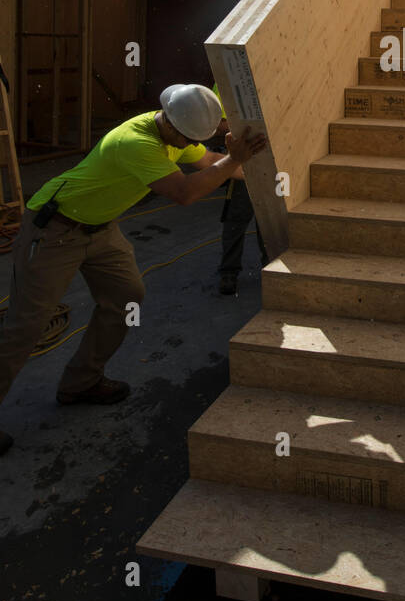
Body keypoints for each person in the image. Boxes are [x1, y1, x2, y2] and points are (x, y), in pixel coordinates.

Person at [0, 84, 266, 455]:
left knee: (127, 298)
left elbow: (207, 162)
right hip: (55, 228)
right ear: (171, 123)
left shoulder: (176, 127)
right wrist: (233, 159)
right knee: (26, 325)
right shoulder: (136, 142)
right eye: (188, 137)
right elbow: (185, 192)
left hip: (100, 226)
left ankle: (80, 382)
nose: (190, 142)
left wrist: (262, 173)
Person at [211, 86, 267, 296]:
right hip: (245, 159)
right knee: (236, 218)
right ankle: (229, 273)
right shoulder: (229, 76)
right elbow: (218, 123)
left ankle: (270, 269)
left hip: (274, 159)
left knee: (268, 219)